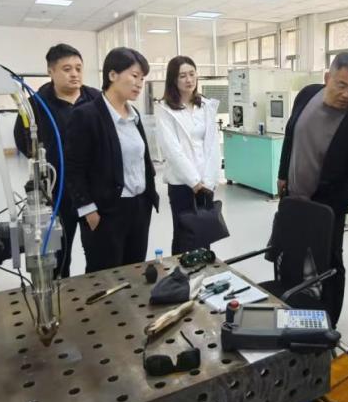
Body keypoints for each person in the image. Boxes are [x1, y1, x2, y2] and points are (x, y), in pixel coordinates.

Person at [277, 52, 348, 327]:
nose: (347, 94)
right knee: (289, 256)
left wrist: (327, 211)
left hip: (326, 210)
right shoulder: (307, 95)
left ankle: (328, 323)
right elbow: (291, 134)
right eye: (341, 85)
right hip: (292, 200)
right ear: (327, 77)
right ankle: (291, 311)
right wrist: (283, 173)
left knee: (328, 266)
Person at [65, 47, 158, 272]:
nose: (139, 83)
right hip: (106, 211)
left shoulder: (133, 115)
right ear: (113, 75)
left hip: (138, 207)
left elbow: (142, 160)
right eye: (134, 76)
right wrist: (88, 210)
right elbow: (74, 168)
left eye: (142, 78)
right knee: (106, 276)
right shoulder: (86, 115)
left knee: (134, 273)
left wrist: (148, 198)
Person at [12, 43, 101, 278]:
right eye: (67, 69)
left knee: (99, 252)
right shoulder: (36, 105)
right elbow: (23, 141)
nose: (74, 74)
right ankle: (62, 291)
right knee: (59, 257)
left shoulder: (95, 99)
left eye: (78, 68)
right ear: (50, 71)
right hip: (57, 192)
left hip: (92, 192)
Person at [155, 56, 221, 254]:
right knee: (184, 235)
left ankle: (204, 271)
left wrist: (209, 180)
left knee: (204, 234)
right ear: (173, 80)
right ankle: (181, 273)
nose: (189, 79)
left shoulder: (205, 106)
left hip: (206, 183)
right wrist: (194, 182)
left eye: (192, 74)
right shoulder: (165, 109)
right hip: (182, 184)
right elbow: (172, 150)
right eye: (182, 76)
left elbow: (212, 145)